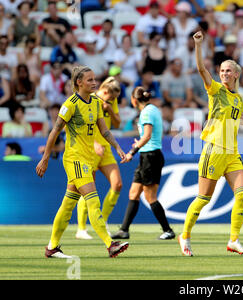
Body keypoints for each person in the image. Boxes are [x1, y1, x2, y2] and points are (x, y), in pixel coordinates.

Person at [177, 31, 243, 257]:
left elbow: (239, 120)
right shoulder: (215, 90)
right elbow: (202, 69)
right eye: (222, 70)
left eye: (227, 71)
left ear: (236, 75)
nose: (223, 73)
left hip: (232, 152)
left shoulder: (238, 98)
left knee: (242, 195)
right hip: (213, 149)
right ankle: (185, 236)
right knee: (203, 199)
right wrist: (198, 45)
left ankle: (233, 240)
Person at [35, 66, 129, 258]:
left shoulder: (95, 102)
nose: (94, 83)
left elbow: (104, 130)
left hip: (88, 158)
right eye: (90, 80)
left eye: (95, 79)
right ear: (78, 82)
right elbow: (55, 131)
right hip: (74, 159)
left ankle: (52, 247)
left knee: (68, 204)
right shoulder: (70, 104)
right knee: (93, 200)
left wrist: (117, 147)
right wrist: (45, 158)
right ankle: (110, 244)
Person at [111, 86, 175, 240]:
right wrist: (139, 144)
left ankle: (168, 230)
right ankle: (124, 230)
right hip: (148, 155)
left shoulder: (146, 112)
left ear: (134, 100)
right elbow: (147, 137)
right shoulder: (152, 109)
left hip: (150, 157)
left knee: (150, 196)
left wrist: (132, 151)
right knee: (133, 193)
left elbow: (146, 136)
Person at [75, 77, 123, 240]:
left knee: (117, 184)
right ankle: (81, 229)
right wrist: (94, 142)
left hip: (106, 148)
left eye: (114, 99)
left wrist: (109, 109)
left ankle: (102, 221)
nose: (113, 100)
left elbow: (117, 124)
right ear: (104, 91)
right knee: (87, 188)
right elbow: (82, 125)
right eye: (111, 97)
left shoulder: (111, 101)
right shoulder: (91, 99)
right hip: (90, 148)